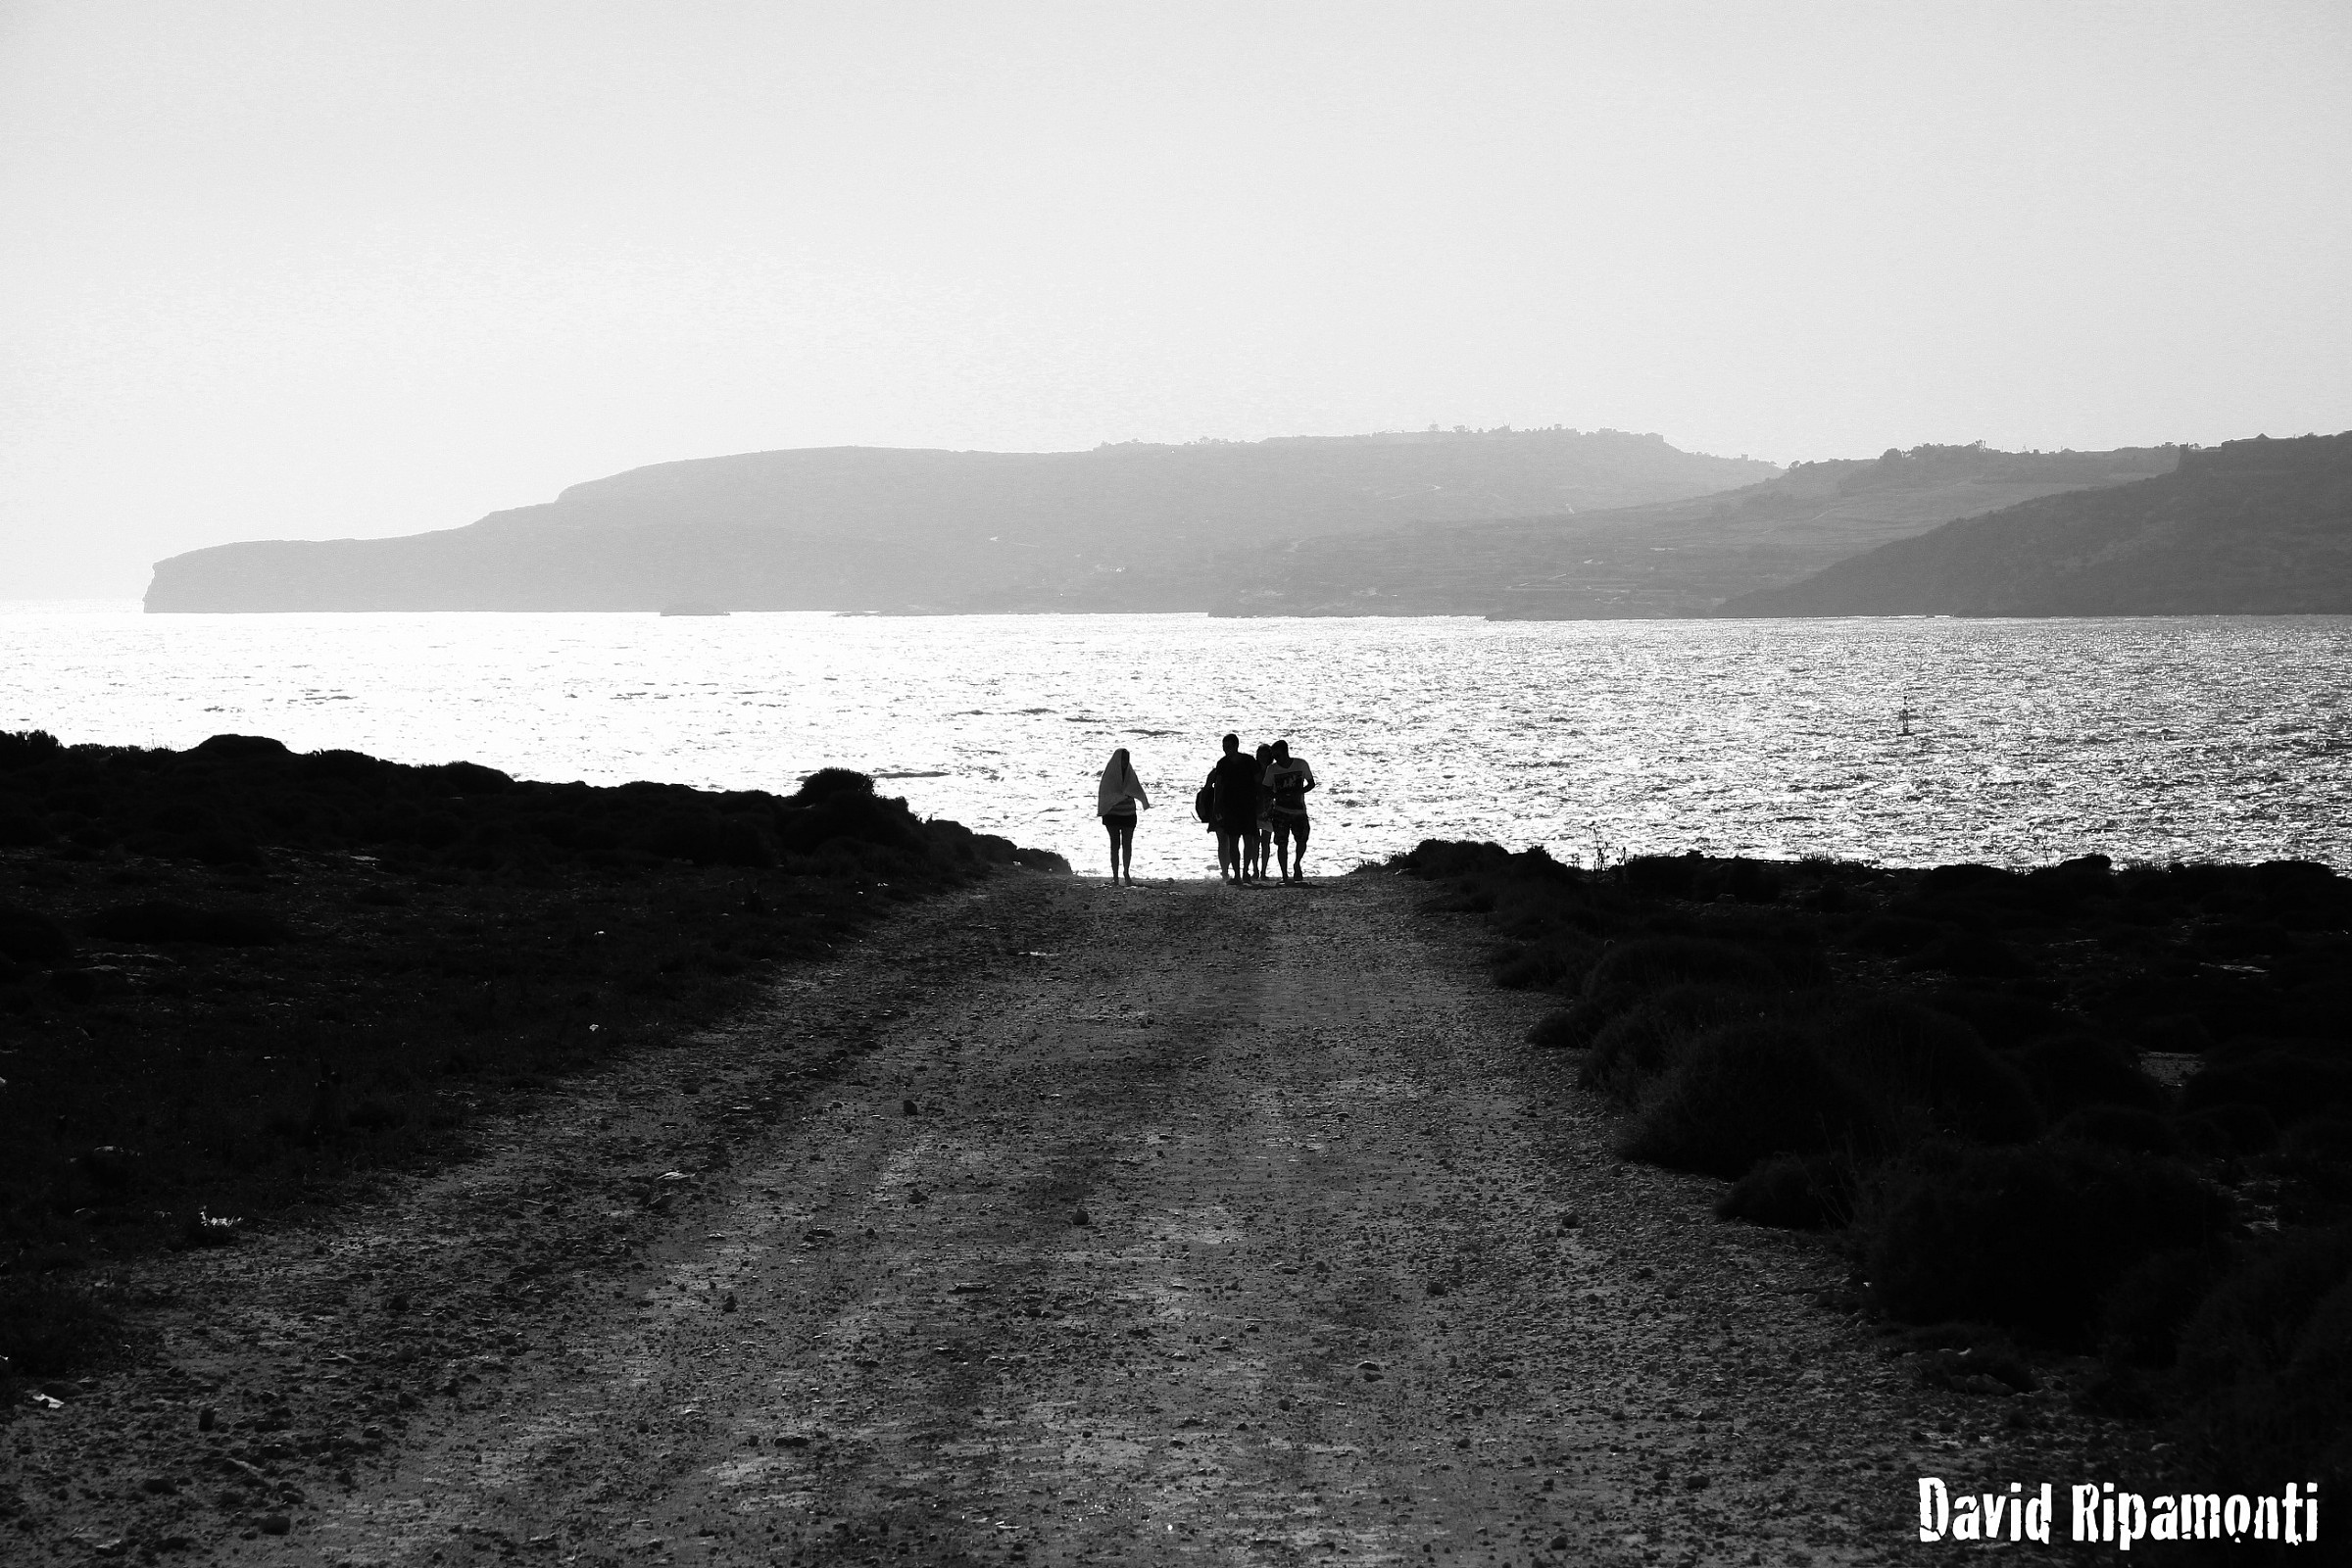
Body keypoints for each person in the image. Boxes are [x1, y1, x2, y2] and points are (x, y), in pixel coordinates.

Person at [1207, 733, 1262, 883]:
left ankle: (1245, 873)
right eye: (1224, 747)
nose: (1226, 750)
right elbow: (1218, 785)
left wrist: (1260, 803)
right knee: (1233, 841)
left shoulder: (1249, 761)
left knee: (1248, 839)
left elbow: (1258, 782)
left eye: (1229, 747)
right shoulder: (1223, 763)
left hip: (1248, 805)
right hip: (1230, 807)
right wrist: (1216, 805)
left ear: (1236, 746)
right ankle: (1237, 874)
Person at [1265, 738, 1316, 883]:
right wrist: (1275, 795)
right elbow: (1266, 788)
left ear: (1286, 752)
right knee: (1282, 843)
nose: (1277, 760)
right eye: (1274, 757)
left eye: (1278, 756)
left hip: (1299, 811)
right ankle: (1284, 875)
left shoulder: (1301, 764)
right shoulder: (1272, 769)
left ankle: (1297, 863)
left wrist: (1300, 792)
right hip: (1280, 811)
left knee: (1302, 839)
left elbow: (1311, 783)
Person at [1096, 747, 1149, 884]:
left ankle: (1126, 873)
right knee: (1114, 845)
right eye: (1123, 759)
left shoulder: (1130, 774)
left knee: (1127, 844)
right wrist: (1103, 808)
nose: (1125, 762)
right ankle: (1115, 876)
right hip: (1112, 814)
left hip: (1128, 813)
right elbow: (1104, 793)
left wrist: (1144, 801)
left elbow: (1136, 789)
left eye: (1126, 759)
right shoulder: (1110, 774)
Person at [1247, 742, 1276, 881]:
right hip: (1254, 806)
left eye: (1265, 755)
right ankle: (1255, 870)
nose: (1263, 757)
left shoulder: (1273, 769)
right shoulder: (1253, 770)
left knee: (1266, 841)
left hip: (1269, 807)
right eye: (1260, 755)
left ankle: (1263, 871)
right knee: (1254, 841)